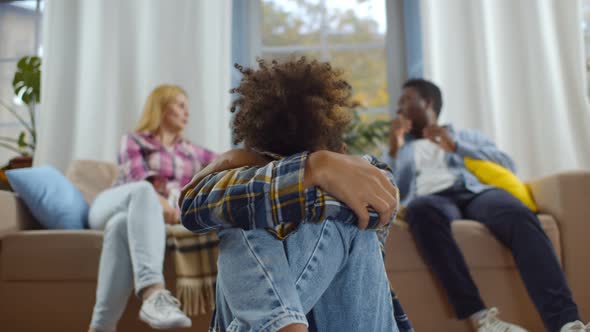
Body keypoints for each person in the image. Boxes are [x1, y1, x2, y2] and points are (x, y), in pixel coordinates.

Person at [180, 58, 411, 332]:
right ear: (342, 146)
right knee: (244, 213)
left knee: (341, 212)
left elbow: (370, 207)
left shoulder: (370, 173)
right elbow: (192, 208)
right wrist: (313, 168)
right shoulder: (248, 181)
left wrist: (309, 168)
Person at [382, 79, 588, 332]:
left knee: (517, 214)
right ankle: (482, 320)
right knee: (420, 212)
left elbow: (507, 165)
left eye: (405, 100)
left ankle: (566, 323)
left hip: (475, 193)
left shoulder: (464, 135)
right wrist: (395, 150)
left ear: (427, 103)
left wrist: (456, 146)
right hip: (432, 200)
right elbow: (393, 189)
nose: (398, 108)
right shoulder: (402, 148)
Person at [88, 85, 216, 332]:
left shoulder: (191, 150)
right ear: (161, 106)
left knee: (120, 227)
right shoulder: (135, 139)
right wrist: (164, 204)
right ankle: (153, 292)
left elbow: (225, 161)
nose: (186, 113)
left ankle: (100, 327)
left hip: (133, 218)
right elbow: (137, 178)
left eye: (187, 108)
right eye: (180, 105)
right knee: (143, 192)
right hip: (112, 204)